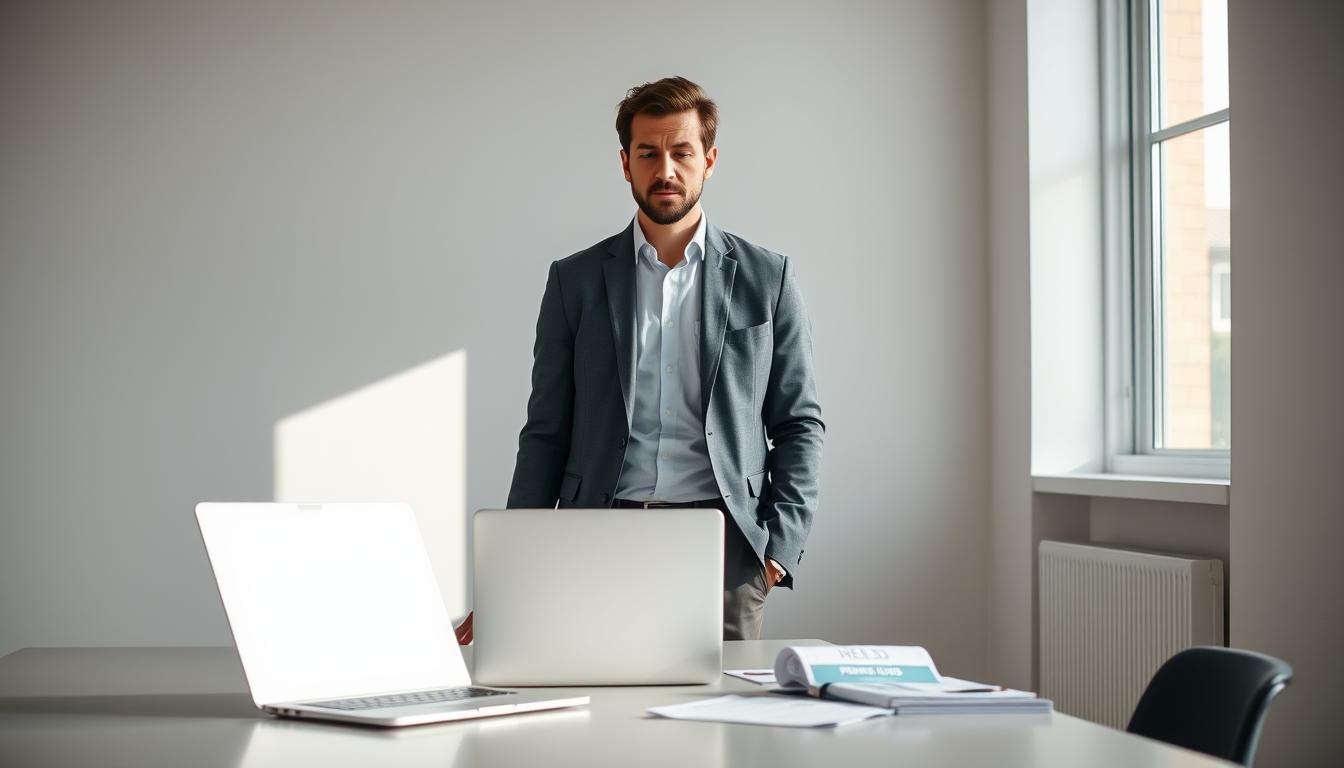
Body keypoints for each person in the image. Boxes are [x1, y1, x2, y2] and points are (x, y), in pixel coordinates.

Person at [457, 76, 823, 644]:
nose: (666, 170)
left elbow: (799, 423)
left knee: (727, 700)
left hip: (727, 548)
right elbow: (547, 432)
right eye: (648, 153)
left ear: (709, 161)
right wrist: (509, 570)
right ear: (625, 163)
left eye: (682, 152)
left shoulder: (767, 279)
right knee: (598, 694)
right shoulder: (575, 281)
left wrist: (777, 549)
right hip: (599, 537)